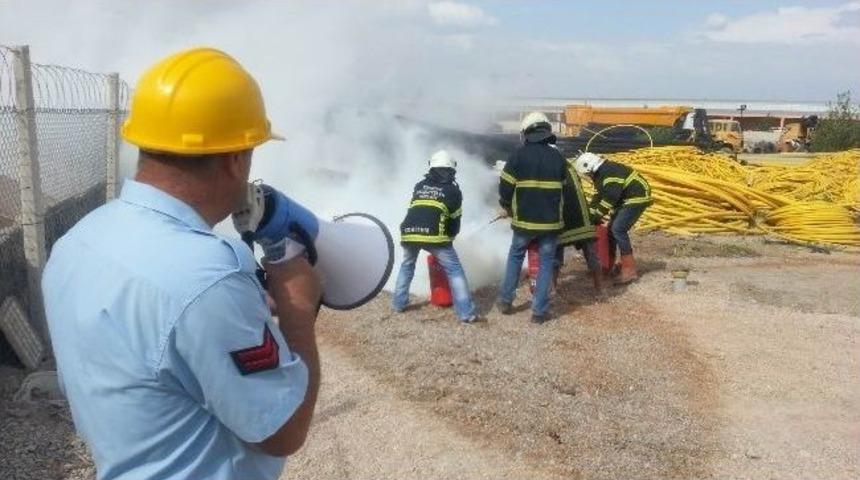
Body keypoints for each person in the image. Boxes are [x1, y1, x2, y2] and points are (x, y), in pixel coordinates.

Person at [41, 48, 321, 480]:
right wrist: (299, 309)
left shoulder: (77, 242)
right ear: (234, 159)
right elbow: (283, 432)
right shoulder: (208, 277)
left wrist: (234, 312)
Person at [393, 150, 481, 324]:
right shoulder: (453, 190)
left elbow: (419, 210)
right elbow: (455, 220)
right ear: (451, 170)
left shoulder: (419, 185)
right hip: (435, 236)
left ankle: (398, 304)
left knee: (407, 265)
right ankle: (466, 313)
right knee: (455, 270)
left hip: (409, 232)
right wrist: (451, 236)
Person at [497, 112, 567, 324]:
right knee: (546, 263)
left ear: (526, 133)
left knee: (516, 256)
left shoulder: (518, 155)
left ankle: (506, 300)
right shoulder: (558, 158)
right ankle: (538, 312)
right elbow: (564, 191)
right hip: (551, 223)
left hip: (524, 223)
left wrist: (506, 207)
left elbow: (505, 189)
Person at [574, 152, 652, 284]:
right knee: (610, 230)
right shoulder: (601, 174)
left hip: (637, 197)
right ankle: (608, 266)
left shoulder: (609, 171)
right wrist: (590, 215)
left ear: (590, 168)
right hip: (626, 199)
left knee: (618, 229)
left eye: (587, 174)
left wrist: (597, 215)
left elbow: (610, 198)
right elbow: (599, 196)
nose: (588, 176)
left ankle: (629, 269)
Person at [555, 156, 604, 294]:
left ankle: (553, 289)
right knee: (591, 255)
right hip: (583, 220)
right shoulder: (571, 168)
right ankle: (599, 290)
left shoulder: (550, 170)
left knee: (555, 256)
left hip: (562, 222)